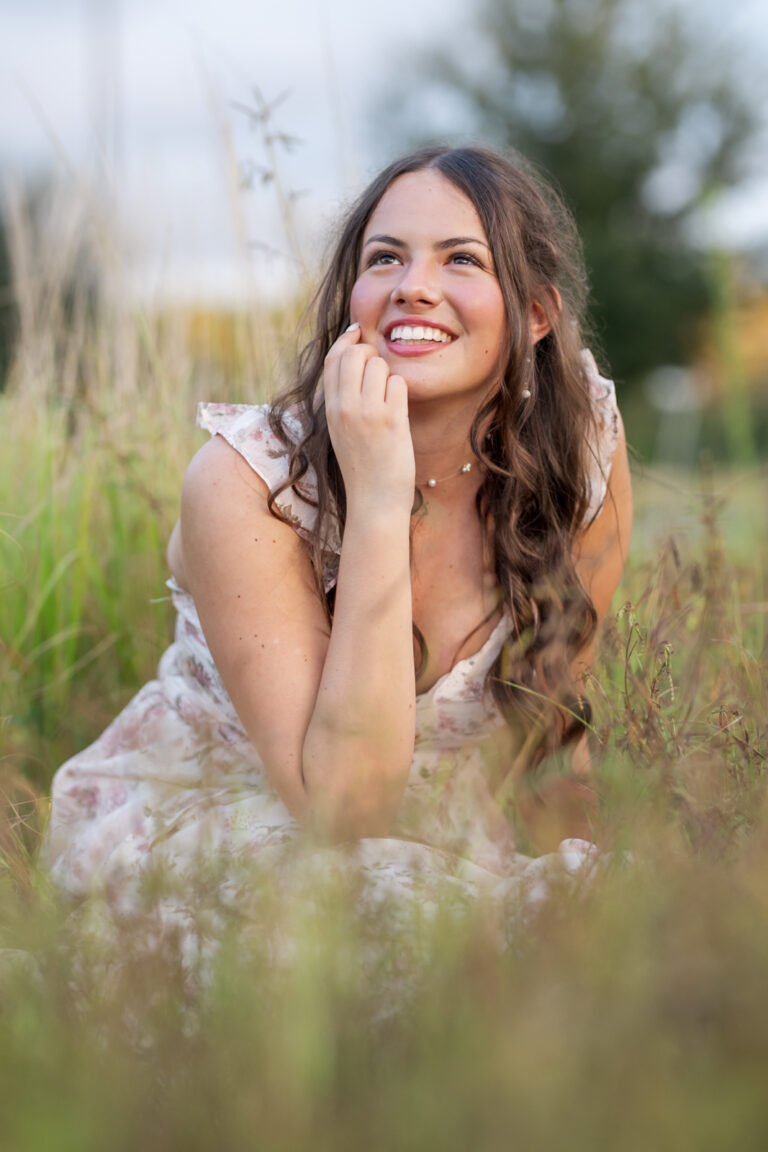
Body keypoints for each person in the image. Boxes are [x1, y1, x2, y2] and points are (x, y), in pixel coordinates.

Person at [46, 145, 632, 922]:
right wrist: (380, 499)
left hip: (445, 840)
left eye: (462, 259)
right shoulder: (247, 482)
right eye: (384, 258)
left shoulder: (579, 449)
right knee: (363, 919)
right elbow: (344, 810)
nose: (414, 288)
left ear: (534, 314)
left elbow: (557, 726)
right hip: (241, 831)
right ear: (353, 297)